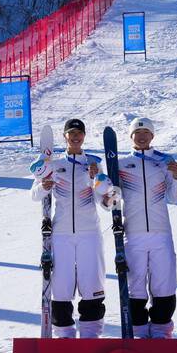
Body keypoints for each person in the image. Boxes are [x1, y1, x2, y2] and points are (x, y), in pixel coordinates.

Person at [32, 118, 110, 338]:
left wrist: (97, 179)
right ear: (65, 137)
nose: (75, 137)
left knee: (92, 282)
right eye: (71, 134)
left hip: (89, 233)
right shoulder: (54, 166)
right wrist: (43, 186)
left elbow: (105, 200)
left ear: (84, 136)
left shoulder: (94, 163)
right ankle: (64, 333)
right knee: (61, 285)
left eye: (79, 134)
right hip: (62, 233)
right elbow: (34, 195)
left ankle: (90, 334)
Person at [114, 116, 177, 338]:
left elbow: (173, 197)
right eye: (138, 133)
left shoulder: (165, 161)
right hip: (133, 234)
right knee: (135, 285)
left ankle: (162, 331)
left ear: (152, 136)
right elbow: (111, 201)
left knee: (163, 283)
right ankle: (138, 332)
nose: (142, 137)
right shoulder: (121, 164)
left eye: (146, 133)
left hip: (161, 233)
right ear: (131, 136)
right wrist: (105, 190)